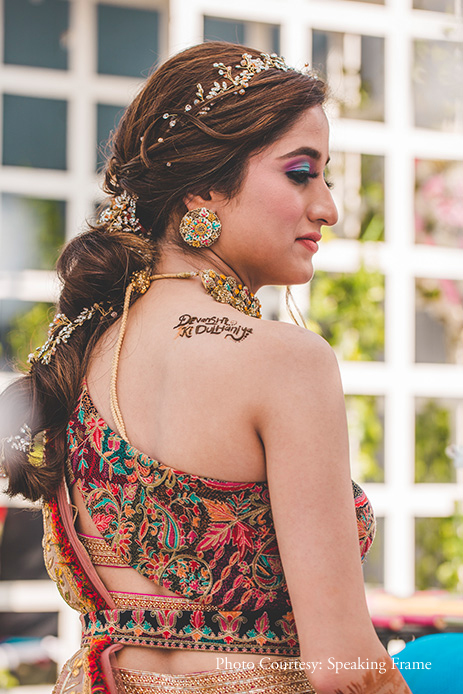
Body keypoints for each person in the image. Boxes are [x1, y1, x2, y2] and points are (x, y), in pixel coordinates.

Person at [0, 42, 412, 694]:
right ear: (203, 188)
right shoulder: (285, 362)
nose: (328, 206)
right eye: (301, 172)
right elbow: (346, 671)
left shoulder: (79, 357)